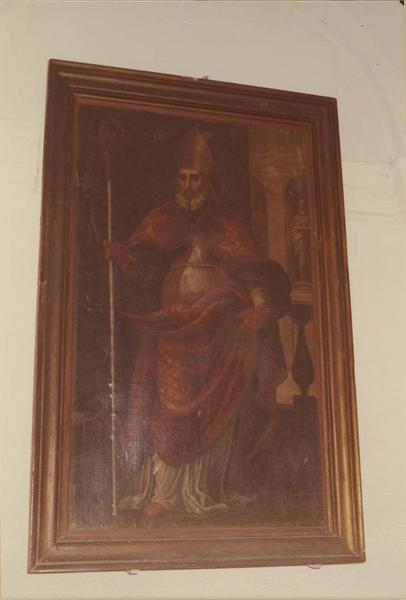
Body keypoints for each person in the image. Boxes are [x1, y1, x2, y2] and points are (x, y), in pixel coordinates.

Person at [105, 126, 289, 519]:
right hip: (172, 328)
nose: (188, 186)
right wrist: (125, 261)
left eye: (196, 178)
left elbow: (254, 274)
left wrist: (258, 308)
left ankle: (203, 490)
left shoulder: (230, 225)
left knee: (214, 406)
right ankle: (164, 493)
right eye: (183, 178)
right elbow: (141, 271)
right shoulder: (159, 220)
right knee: (167, 404)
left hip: (218, 328)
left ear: (208, 181)